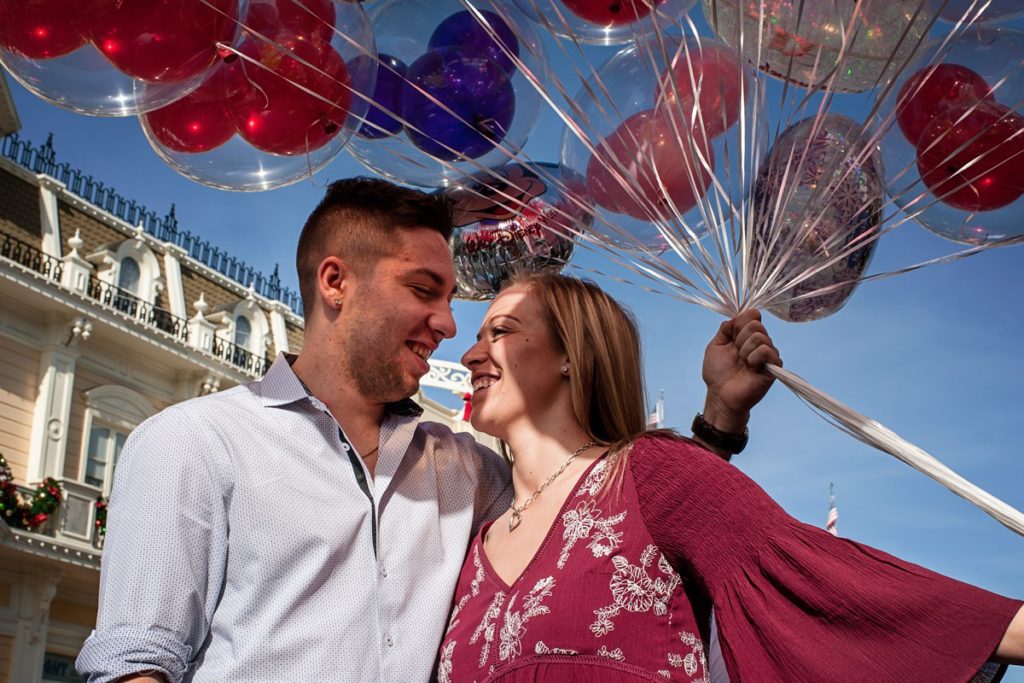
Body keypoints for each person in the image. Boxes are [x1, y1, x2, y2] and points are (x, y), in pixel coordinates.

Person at [75, 178, 768, 683]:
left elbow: (609, 520)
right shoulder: (192, 442)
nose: (447, 323)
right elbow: (135, 661)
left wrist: (719, 422)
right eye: (423, 289)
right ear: (336, 282)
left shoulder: (467, 471)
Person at [440, 272, 1024, 682]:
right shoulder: (467, 547)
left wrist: (1002, 629)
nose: (471, 353)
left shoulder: (651, 475)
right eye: (476, 334)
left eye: (501, 331)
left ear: (574, 353)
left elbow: (830, 585)